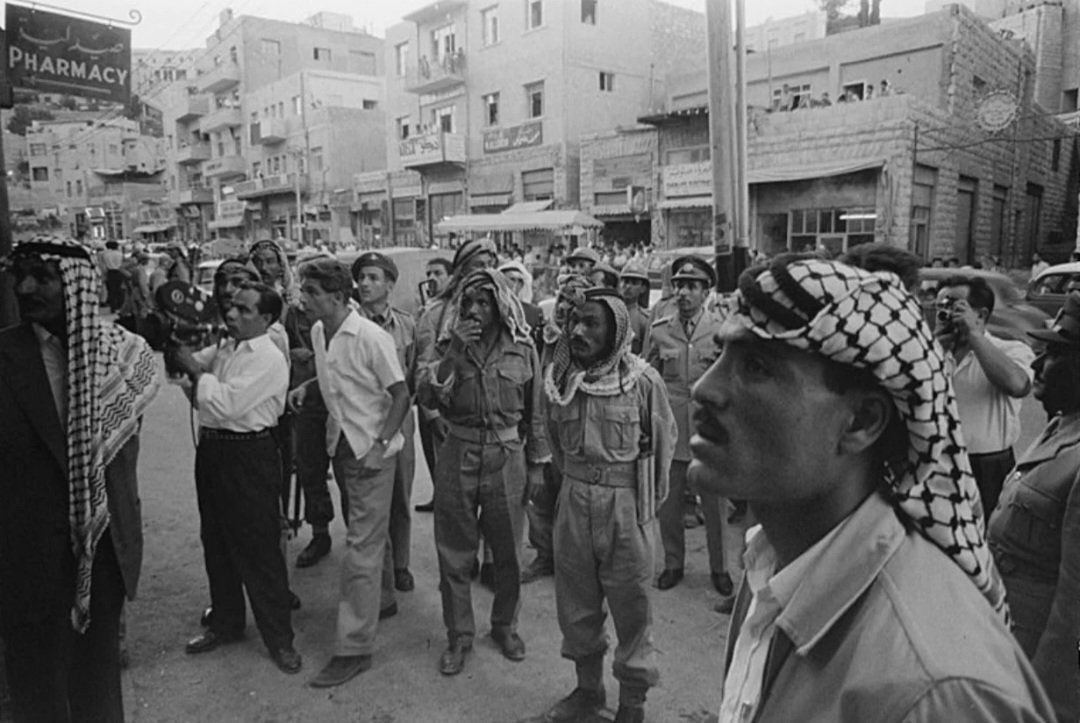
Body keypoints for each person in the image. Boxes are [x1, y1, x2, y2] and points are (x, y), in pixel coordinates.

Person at [691, 255, 1053, 722]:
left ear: (861, 421)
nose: (705, 388)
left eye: (757, 366)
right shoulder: (774, 563)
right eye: (721, 357)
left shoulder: (933, 692)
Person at [1, 237, 159, 722]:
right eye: (20, 275)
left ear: (78, 286)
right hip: (25, 564)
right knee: (38, 696)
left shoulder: (126, 357)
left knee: (99, 694)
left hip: (101, 555)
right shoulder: (5, 356)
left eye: (42, 276)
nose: (26, 287)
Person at [538, 287, 676, 723]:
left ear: (614, 330)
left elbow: (663, 448)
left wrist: (641, 509)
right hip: (575, 501)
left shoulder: (643, 381)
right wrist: (579, 485)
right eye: (575, 321)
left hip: (627, 505)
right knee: (576, 606)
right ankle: (588, 691)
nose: (578, 330)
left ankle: (632, 705)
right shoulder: (560, 381)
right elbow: (557, 447)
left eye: (591, 323)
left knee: (633, 608)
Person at [417, 269, 550, 676]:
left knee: (508, 550)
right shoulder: (446, 344)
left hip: (506, 455)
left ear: (500, 305)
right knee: (454, 552)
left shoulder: (523, 348)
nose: (474, 309)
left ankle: (504, 626)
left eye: (484, 301)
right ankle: (459, 636)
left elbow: (536, 411)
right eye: (468, 301)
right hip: (457, 451)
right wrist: (455, 352)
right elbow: (424, 394)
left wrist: (537, 465)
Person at [289, 258, 410, 688]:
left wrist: (380, 448)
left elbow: (400, 395)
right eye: (303, 291)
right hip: (342, 447)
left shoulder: (372, 338)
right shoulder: (322, 331)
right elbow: (340, 381)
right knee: (369, 536)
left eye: (312, 293)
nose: (303, 300)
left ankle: (354, 649)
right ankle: (385, 599)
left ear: (339, 297)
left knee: (359, 548)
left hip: (370, 453)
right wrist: (306, 388)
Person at [170, 281, 302, 675]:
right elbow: (183, 371)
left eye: (244, 310)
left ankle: (280, 639)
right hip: (213, 451)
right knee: (216, 540)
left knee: (259, 548)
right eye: (232, 307)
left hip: (249, 453)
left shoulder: (268, 358)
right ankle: (227, 622)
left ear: (266, 318)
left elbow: (226, 403)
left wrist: (196, 371)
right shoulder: (228, 347)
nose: (232, 315)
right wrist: (183, 352)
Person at [989, 294, 1080, 723]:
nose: (1039, 367)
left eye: (1056, 354)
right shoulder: (1060, 426)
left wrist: (1045, 702)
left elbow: (1073, 605)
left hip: (1035, 666)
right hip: (1006, 639)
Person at [643, 257, 735, 600]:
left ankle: (720, 568)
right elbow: (646, 378)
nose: (683, 292)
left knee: (714, 503)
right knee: (669, 503)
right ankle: (673, 563)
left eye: (692, 286)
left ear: (706, 292)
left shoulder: (721, 328)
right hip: (671, 427)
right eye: (679, 285)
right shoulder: (660, 329)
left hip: (710, 429)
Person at [935, 275, 1034, 514]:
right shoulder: (932, 351)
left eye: (955, 306)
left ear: (981, 315)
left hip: (987, 467)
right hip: (938, 463)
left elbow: (1017, 385)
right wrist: (933, 345)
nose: (946, 313)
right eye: (941, 306)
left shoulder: (1010, 350)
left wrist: (974, 337)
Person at [352, 252, 418, 594]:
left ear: (390, 285)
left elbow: (415, 374)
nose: (365, 283)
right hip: (362, 422)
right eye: (362, 277)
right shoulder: (350, 325)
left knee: (399, 496)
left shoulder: (407, 324)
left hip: (399, 420)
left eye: (374, 277)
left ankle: (401, 564)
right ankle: (377, 567)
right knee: (365, 499)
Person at [415, 256, 454, 514]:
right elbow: (422, 358)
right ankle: (439, 494)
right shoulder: (430, 310)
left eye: (438, 273)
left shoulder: (450, 309)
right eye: (429, 273)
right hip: (429, 392)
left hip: (446, 392)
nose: (432, 278)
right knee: (432, 451)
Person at [619, 262, 651, 355]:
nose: (628, 286)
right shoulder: (607, 312)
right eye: (625, 281)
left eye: (634, 283)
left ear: (643, 288)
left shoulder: (644, 320)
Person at [100, 240, 125, 312]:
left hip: (110, 272)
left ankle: (112, 307)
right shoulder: (120, 254)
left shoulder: (105, 254)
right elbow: (122, 263)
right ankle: (119, 305)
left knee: (111, 291)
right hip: (118, 272)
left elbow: (103, 265)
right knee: (120, 290)